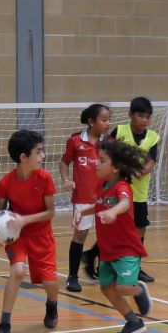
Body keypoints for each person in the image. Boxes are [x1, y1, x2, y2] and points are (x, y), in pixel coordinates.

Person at [73, 140, 152, 333]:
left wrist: (114, 212)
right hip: (108, 250)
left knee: (123, 288)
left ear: (116, 167)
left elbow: (125, 203)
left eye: (101, 160)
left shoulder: (122, 187)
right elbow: (99, 204)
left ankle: (139, 290)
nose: (96, 164)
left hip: (126, 249)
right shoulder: (103, 186)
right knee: (106, 288)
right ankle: (133, 322)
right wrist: (83, 212)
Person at [0, 130, 59, 333]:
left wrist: (25, 220)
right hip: (17, 235)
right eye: (38, 152)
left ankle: (52, 304)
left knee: (50, 283)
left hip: (41, 234)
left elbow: (50, 213)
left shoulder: (45, 178)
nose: (43, 156)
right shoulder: (6, 182)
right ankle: (4, 322)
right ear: (23, 157)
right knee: (18, 272)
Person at [60, 103, 110, 292]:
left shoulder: (108, 144)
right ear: (91, 121)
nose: (107, 123)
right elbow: (64, 162)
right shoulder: (75, 141)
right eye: (104, 120)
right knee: (80, 235)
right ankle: (72, 276)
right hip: (83, 198)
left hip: (104, 198)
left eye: (108, 120)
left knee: (106, 236)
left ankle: (102, 270)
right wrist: (66, 180)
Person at [110, 97, 159, 283]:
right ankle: (107, 265)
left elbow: (151, 162)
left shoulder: (153, 137)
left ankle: (135, 268)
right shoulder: (119, 131)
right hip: (117, 192)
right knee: (115, 230)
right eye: (140, 116)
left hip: (139, 194)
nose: (144, 120)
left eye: (147, 117)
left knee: (140, 229)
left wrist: (138, 171)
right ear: (131, 115)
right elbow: (108, 154)